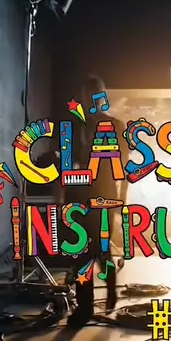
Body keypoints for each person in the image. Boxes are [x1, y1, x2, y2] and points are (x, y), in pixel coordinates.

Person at [54, 75, 127, 326]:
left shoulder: (115, 125)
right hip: (80, 195)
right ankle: (88, 306)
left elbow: (123, 166)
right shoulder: (74, 126)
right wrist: (62, 197)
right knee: (85, 251)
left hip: (102, 195)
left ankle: (106, 292)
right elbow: (66, 164)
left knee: (98, 249)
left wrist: (122, 197)